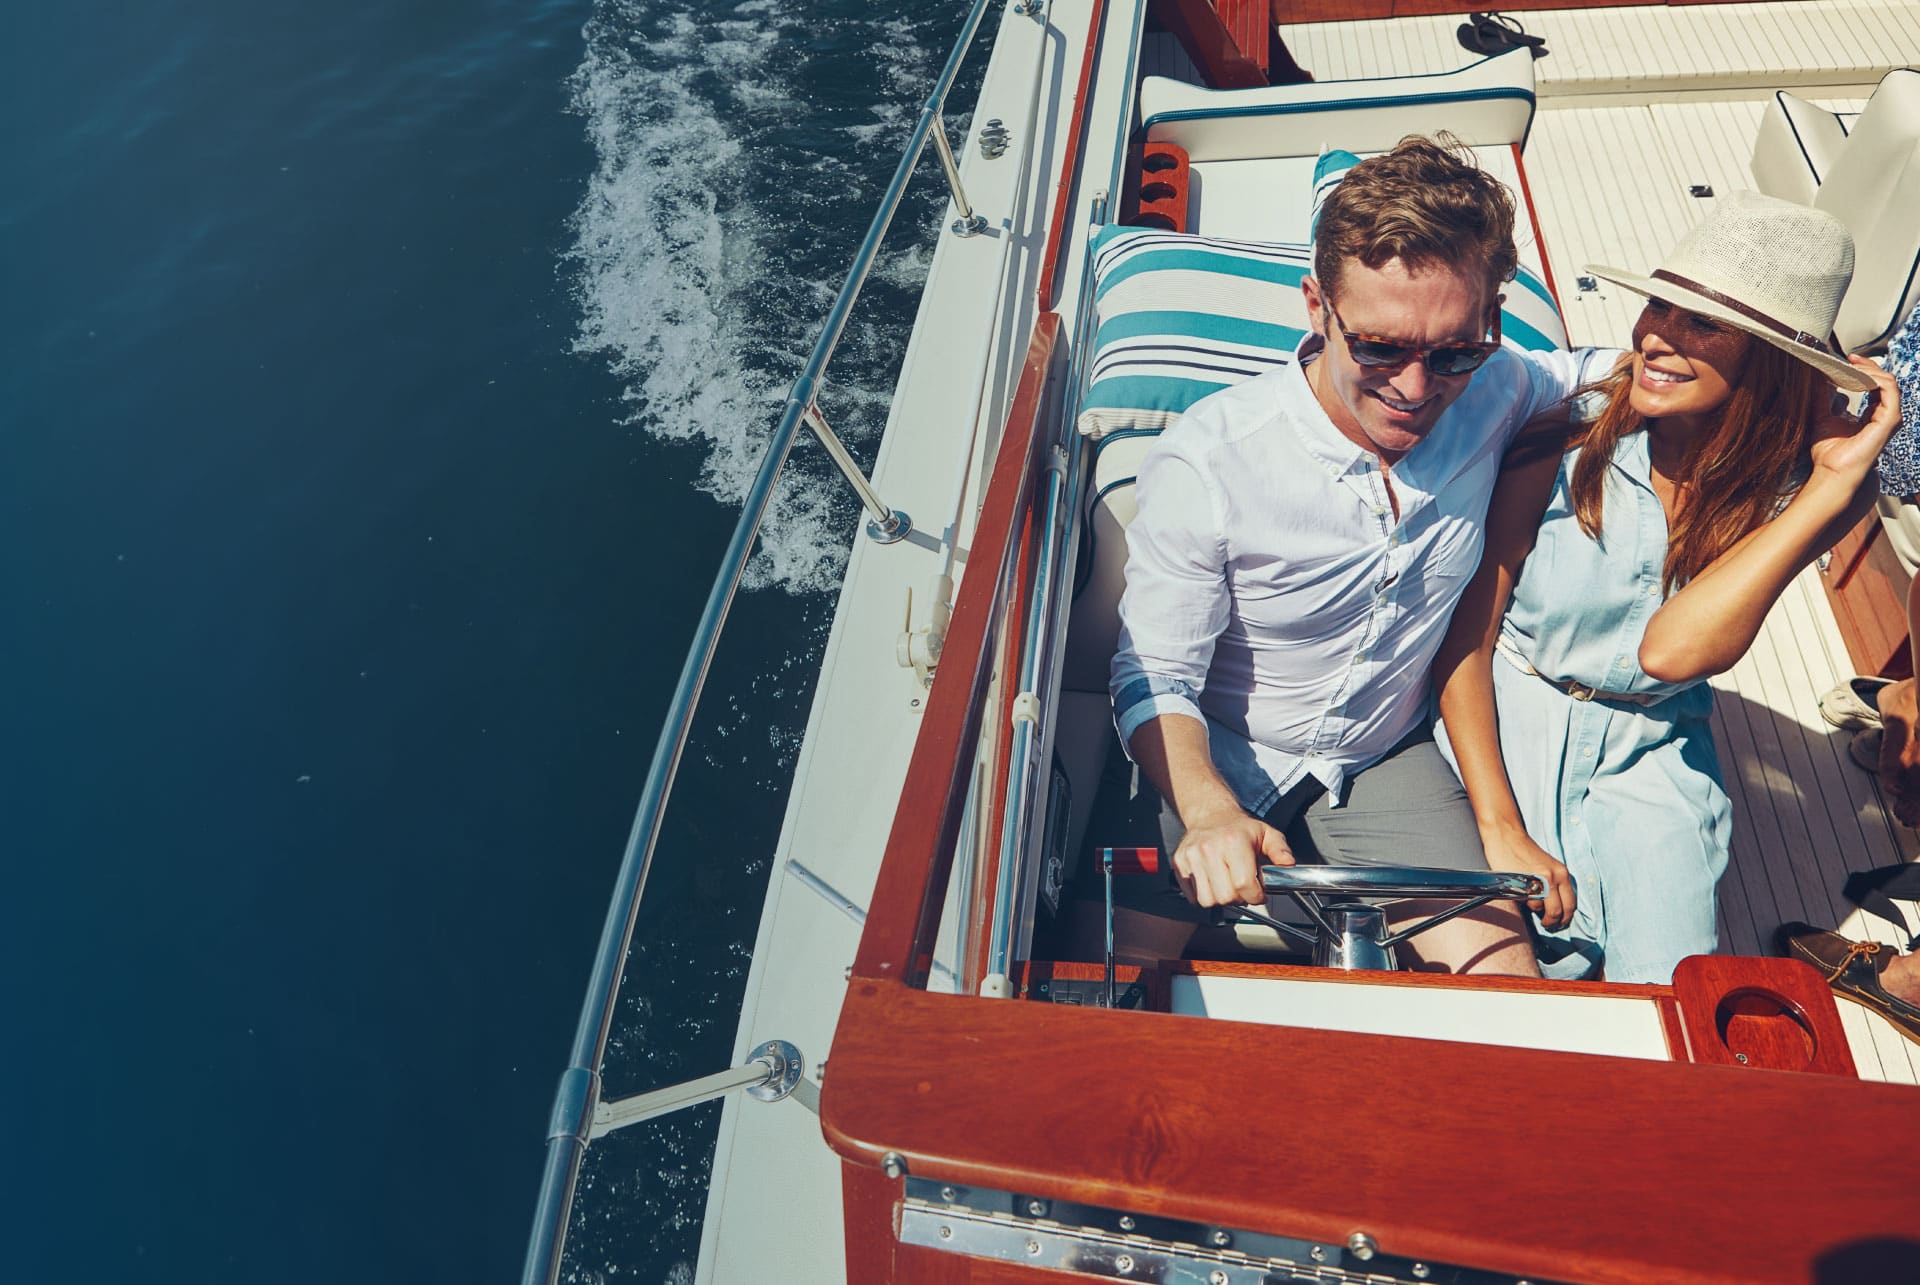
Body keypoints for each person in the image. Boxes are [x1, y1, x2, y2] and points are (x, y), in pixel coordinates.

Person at [1110, 135, 1614, 975]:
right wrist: (1205, 811)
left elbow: (1608, 372)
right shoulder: (1211, 462)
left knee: (1519, 1001)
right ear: (1317, 306)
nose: (1415, 389)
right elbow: (1153, 673)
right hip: (1215, 755)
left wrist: (1789, 384)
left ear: (1488, 320)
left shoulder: (1499, 385)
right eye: (1378, 347)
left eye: (1453, 350)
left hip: (1384, 757)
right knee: (1113, 998)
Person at [1432, 192, 1901, 985]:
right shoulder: (1565, 436)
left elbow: (1671, 651)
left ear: (1772, 359)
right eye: (1660, 304)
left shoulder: (1812, 487)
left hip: (1654, 750)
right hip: (1510, 716)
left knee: (1666, 985)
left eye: (1702, 324)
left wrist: (1826, 491)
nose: (1656, 336)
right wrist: (1500, 823)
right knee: (1521, 971)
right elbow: (1466, 640)